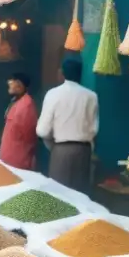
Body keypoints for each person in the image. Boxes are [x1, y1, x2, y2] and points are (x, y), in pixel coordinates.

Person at [37, 59, 98, 193]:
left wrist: (52, 146)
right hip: (84, 151)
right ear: (80, 73)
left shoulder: (53, 94)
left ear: (62, 73)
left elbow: (42, 131)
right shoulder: (91, 96)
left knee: (60, 198)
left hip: (60, 151)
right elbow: (93, 129)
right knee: (81, 198)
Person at [0, 71, 38, 170]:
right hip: (8, 160)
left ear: (20, 85)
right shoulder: (15, 102)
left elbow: (29, 138)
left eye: (12, 82)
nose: (9, 83)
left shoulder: (27, 105)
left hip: (19, 162)